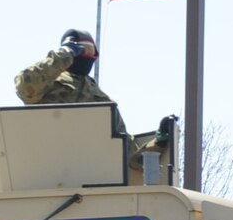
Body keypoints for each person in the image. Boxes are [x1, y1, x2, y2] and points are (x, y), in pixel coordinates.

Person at [14, 29, 169, 178]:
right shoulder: (47, 83)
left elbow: (130, 159)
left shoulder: (104, 101)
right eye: (82, 49)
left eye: (91, 50)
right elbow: (25, 87)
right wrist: (63, 55)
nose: (88, 55)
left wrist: (158, 143)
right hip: (46, 171)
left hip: (91, 178)